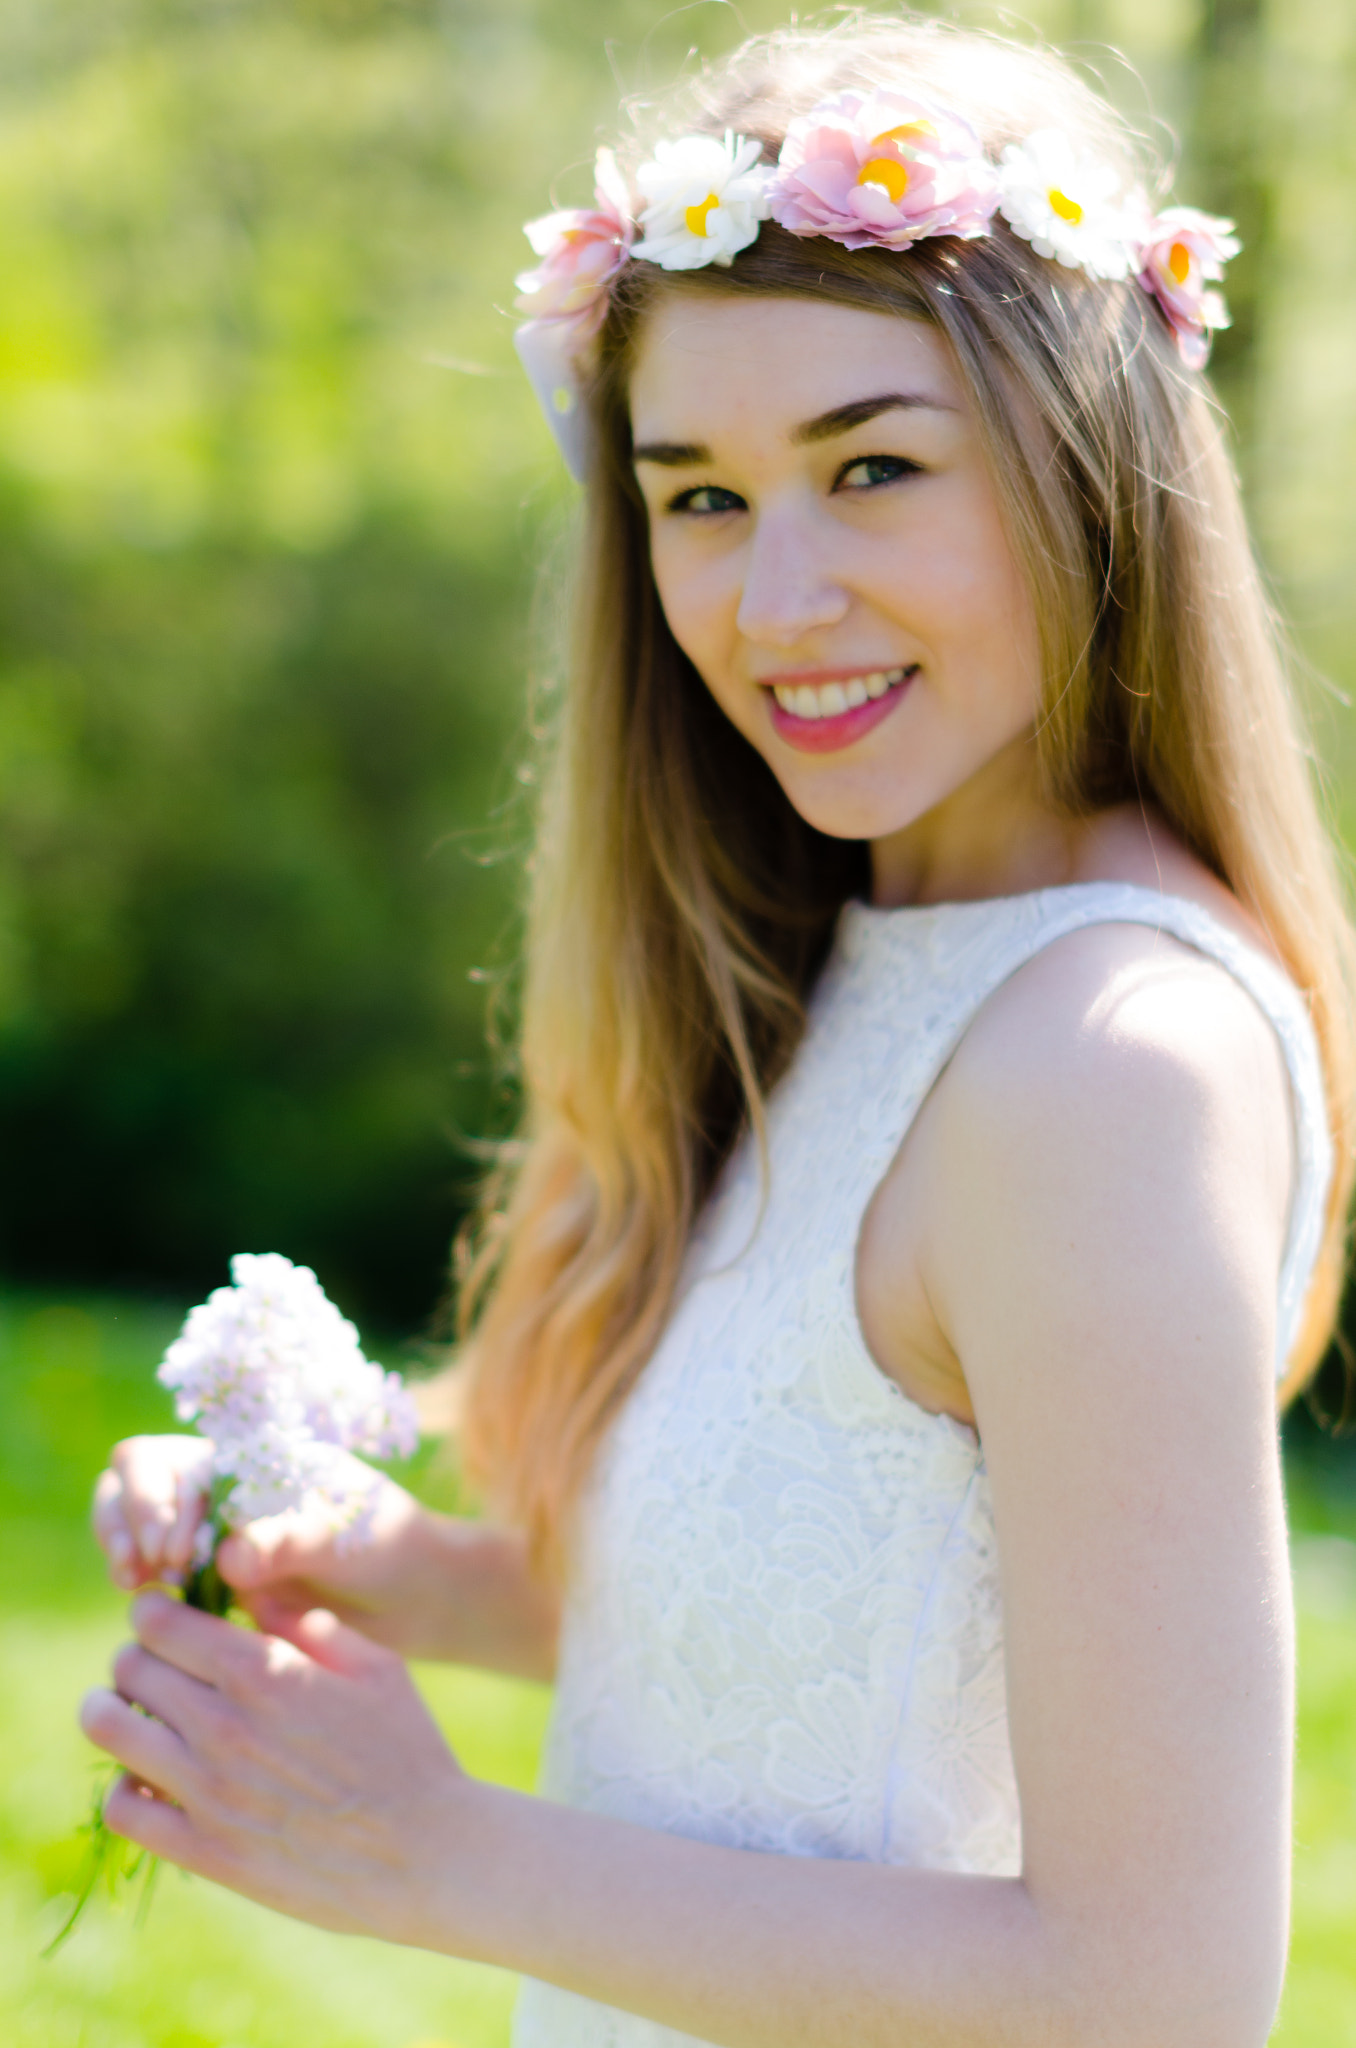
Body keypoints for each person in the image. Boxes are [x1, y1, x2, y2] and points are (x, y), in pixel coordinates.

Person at [83, 17, 1354, 2047]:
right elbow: (816, 1646)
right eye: (698, 497)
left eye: (873, 468)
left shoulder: (1112, 1053)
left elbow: (1159, 1987)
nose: (774, 601)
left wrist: (428, 1846)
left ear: (1089, 466)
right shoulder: (854, 962)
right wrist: (370, 1559)